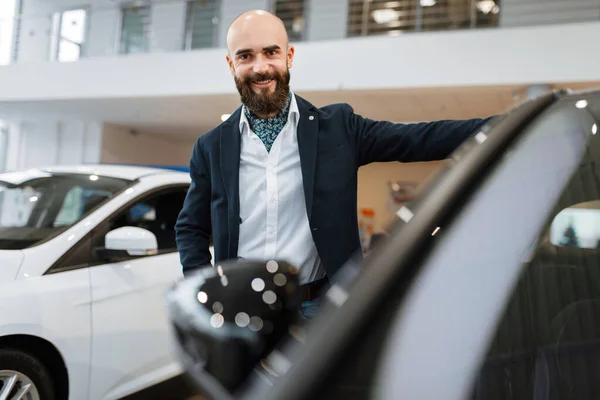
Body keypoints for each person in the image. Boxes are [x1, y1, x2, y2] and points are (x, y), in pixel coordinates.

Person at [174, 9, 495, 306]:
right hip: (242, 307)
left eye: (271, 52)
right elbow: (191, 228)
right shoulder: (211, 146)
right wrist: (205, 289)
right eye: (245, 56)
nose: (260, 67)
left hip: (319, 306)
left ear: (289, 56)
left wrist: (511, 124)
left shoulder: (338, 129)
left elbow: (419, 139)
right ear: (231, 64)